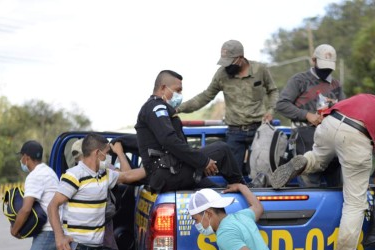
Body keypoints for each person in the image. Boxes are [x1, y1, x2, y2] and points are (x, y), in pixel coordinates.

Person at [270, 94, 375, 250]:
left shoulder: (370, 101)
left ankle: (305, 161)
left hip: (329, 124)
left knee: (318, 159)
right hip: (355, 134)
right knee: (355, 204)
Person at [176, 40, 279, 173]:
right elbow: (205, 96)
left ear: (240, 58)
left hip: (259, 128)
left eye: (230, 61)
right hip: (235, 132)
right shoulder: (221, 74)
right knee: (232, 172)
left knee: (262, 170)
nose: (227, 65)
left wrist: (270, 110)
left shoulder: (260, 69)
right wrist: (179, 108)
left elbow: (273, 91)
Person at [135, 69, 245, 193]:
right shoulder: (156, 107)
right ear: (163, 88)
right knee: (222, 149)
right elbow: (169, 140)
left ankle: (236, 191)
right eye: (177, 90)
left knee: (214, 190)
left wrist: (200, 162)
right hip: (168, 174)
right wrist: (203, 161)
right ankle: (242, 187)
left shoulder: (158, 108)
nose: (180, 95)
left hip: (171, 172)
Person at [275, 43, 345, 187]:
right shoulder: (299, 80)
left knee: (337, 186)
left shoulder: (336, 85)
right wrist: (307, 115)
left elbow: (346, 109)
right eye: (323, 66)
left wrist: (335, 106)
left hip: (331, 138)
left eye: (328, 68)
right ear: (313, 61)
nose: (325, 71)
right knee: (310, 182)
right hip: (305, 137)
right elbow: (282, 104)